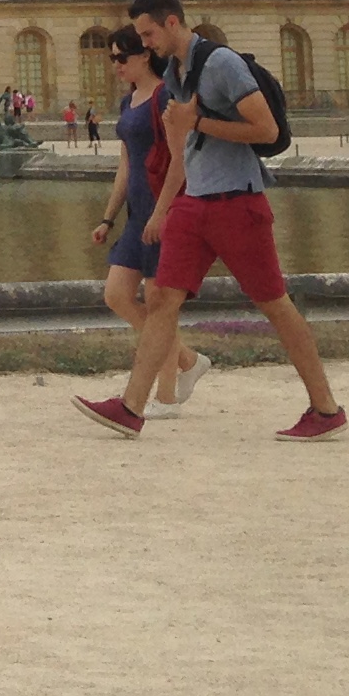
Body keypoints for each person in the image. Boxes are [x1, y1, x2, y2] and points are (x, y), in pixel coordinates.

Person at [127, 0, 346, 440]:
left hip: (236, 201)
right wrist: (166, 205)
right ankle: (130, 408)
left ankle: (326, 410)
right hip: (197, 200)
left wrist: (197, 122)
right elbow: (183, 147)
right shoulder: (174, 71)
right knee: (161, 298)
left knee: (275, 305)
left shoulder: (223, 63)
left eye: (148, 33)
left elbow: (265, 130)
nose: (144, 44)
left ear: (172, 23)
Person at [72, 26, 205, 435]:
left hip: (164, 210)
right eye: (112, 59)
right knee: (116, 295)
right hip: (137, 212)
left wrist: (162, 211)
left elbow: (180, 157)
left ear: (143, 56)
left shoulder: (167, 94)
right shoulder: (129, 101)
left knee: (160, 300)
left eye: (120, 58)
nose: (114, 66)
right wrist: (108, 217)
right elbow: (126, 163)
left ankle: (165, 395)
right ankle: (187, 360)